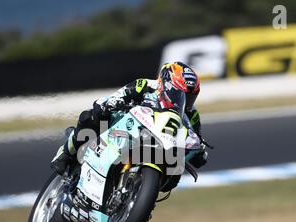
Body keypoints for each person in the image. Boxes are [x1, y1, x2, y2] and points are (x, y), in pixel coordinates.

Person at [51, 61, 208, 175]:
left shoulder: (191, 115)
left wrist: (199, 152)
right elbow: (116, 96)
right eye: (180, 94)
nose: (184, 101)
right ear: (165, 84)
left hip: (158, 146)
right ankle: (66, 152)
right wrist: (113, 103)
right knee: (91, 115)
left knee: (176, 168)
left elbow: (197, 140)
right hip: (123, 129)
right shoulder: (145, 85)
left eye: (189, 97)